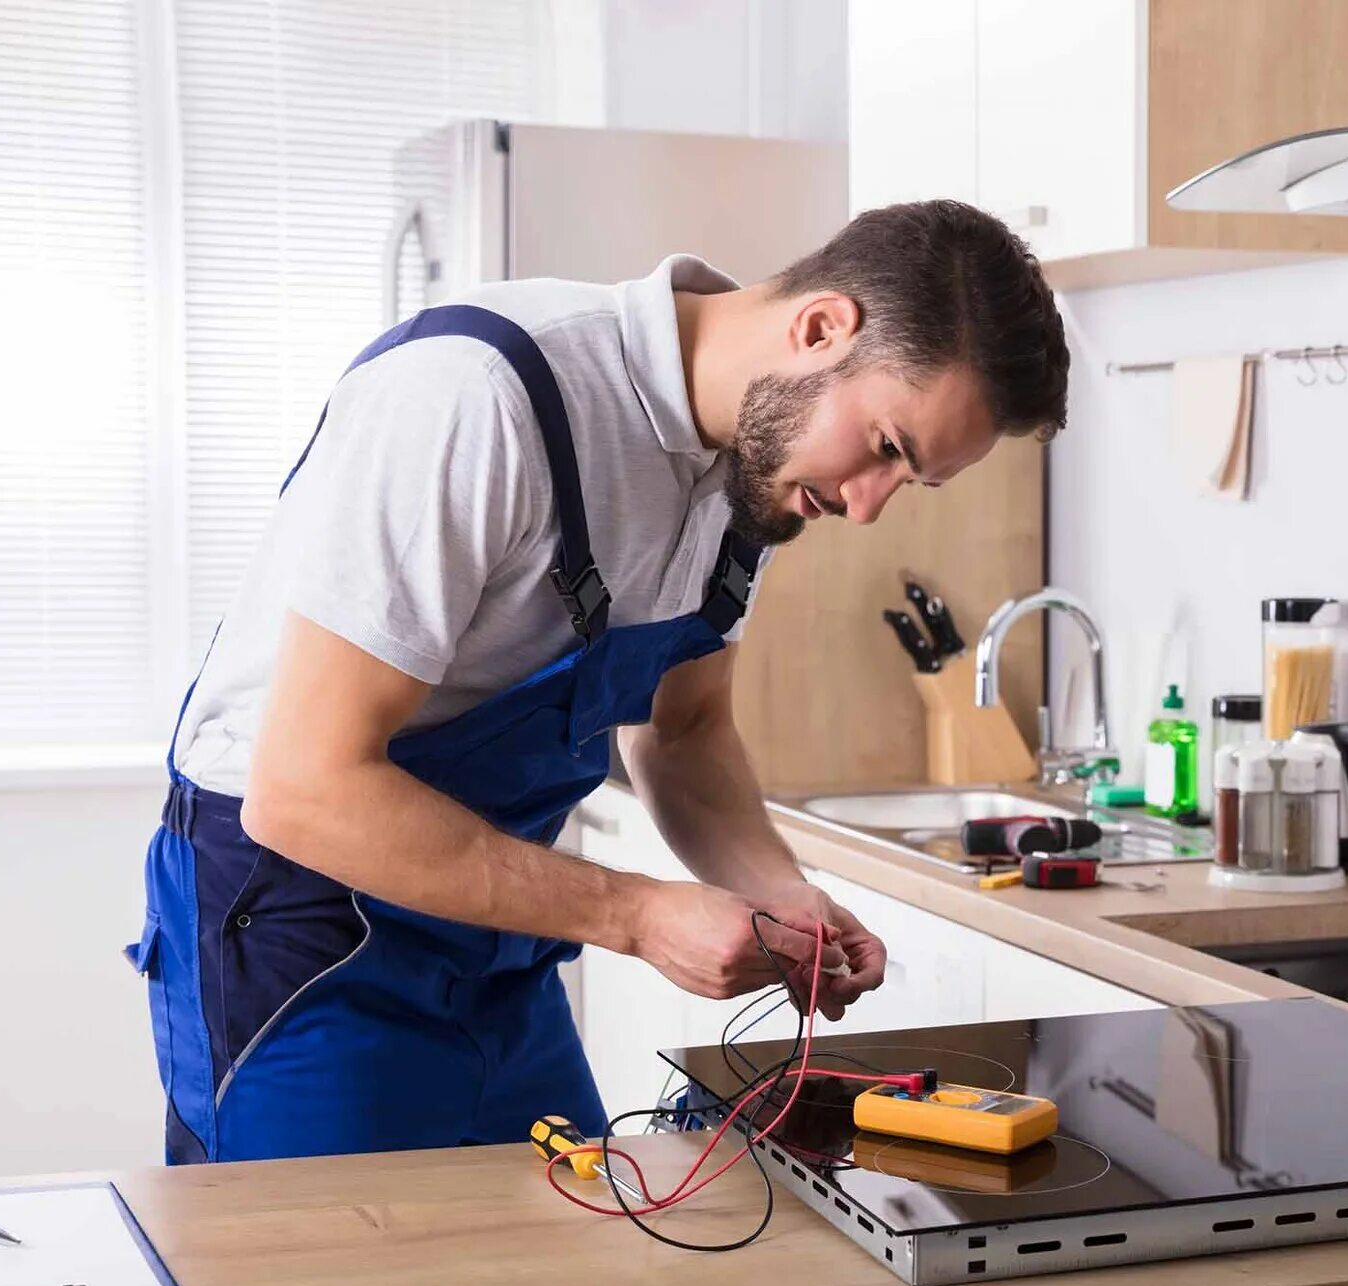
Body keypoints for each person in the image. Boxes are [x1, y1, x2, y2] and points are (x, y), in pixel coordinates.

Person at [128, 200, 1071, 1163]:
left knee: (571, 1273)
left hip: (495, 946)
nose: (868, 508)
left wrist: (786, 898)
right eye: (886, 449)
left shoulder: (752, 471)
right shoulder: (478, 395)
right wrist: (637, 912)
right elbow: (304, 790)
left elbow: (687, 731)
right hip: (300, 932)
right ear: (821, 328)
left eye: (911, 482)